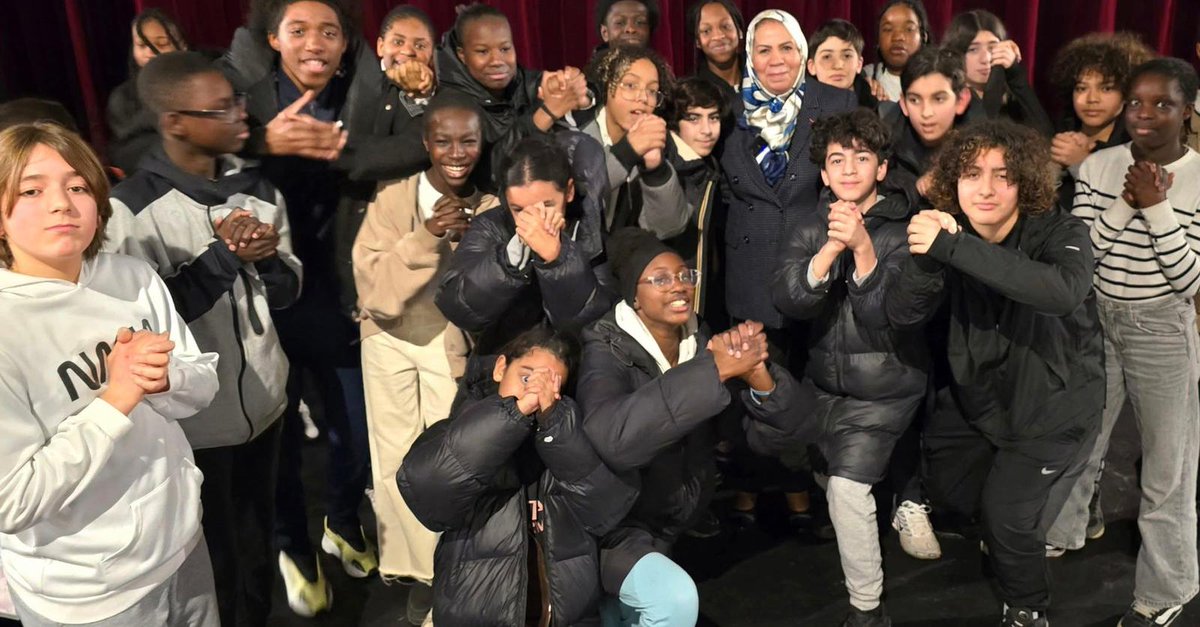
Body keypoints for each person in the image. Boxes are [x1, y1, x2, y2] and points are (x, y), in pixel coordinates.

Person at [105, 51, 302, 627]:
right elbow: (144, 329)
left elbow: (287, 294)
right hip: (194, 426)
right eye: (221, 108)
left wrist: (265, 261)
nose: (242, 115)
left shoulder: (257, 187)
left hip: (265, 404)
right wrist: (222, 259)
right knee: (214, 557)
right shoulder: (132, 211)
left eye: (239, 101)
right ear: (175, 122)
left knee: (257, 538)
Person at [886, 119, 1104, 627]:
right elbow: (902, 314)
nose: (985, 189)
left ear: (1024, 183)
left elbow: (1061, 292)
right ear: (953, 182)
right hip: (982, 400)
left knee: (1008, 518)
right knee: (956, 496)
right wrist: (926, 259)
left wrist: (953, 248)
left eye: (1002, 176)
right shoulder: (945, 231)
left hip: (1054, 406)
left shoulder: (1059, 230)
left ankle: (1027, 608)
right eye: (972, 174)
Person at [0, 121, 220, 626]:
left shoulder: (131, 277)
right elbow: (13, 500)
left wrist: (166, 379)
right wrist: (116, 397)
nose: (62, 203)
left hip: (183, 544)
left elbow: (201, 382)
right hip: (88, 593)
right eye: (31, 190)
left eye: (78, 186)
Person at [231, 0, 379, 618]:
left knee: (357, 430)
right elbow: (164, 141)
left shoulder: (362, 92)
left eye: (329, 32)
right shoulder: (242, 92)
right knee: (282, 442)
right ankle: (295, 549)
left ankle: (343, 523)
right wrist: (263, 141)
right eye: (299, 31)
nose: (315, 43)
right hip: (265, 302)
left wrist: (340, 147)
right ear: (273, 39)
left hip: (338, 294)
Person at [577, 227, 805, 626]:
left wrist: (760, 380)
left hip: (669, 525)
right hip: (609, 531)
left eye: (685, 276)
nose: (679, 286)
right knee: (673, 602)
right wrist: (712, 371)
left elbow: (780, 436)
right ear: (633, 294)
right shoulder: (605, 351)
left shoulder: (701, 344)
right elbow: (615, 440)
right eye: (661, 279)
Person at [1051, 58, 1200, 627]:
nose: (1145, 114)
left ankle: (1167, 589)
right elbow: (1083, 257)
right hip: (1098, 319)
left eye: (1162, 104)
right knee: (1081, 437)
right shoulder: (1100, 165)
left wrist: (1157, 207)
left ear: (1186, 110)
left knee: (1167, 469)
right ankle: (1065, 529)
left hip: (1162, 328)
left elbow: (1189, 281)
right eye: (1136, 102)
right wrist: (1127, 199)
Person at [772, 109, 924, 627]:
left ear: (882, 168)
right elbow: (790, 299)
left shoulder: (906, 230)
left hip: (886, 386)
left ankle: (867, 611)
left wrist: (861, 247)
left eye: (862, 158)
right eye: (837, 159)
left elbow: (887, 312)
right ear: (823, 173)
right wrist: (833, 245)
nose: (850, 169)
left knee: (847, 488)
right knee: (822, 475)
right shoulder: (811, 227)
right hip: (823, 386)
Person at [352, 91, 498, 625]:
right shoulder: (393, 197)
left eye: (468, 141)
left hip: (448, 342)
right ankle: (421, 577)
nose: (456, 152)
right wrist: (428, 234)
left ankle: (451, 572)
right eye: (443, 141)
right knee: (391, 465)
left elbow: (486, 300)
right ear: (425, 143)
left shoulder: (488, 207)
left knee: (446, 462)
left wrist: (465, 246)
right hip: (387, 336)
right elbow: (375, 293)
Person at [397, 326, 636, 626]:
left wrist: (556, 425)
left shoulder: (570, 437)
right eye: (526, 377)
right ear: (500, 368)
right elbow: (425, 491)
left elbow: (607, 510)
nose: (535, 391)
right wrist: (512, 416)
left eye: (551, 383)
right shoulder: (461, 430)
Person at [719, 8, 855, 530]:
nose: (775, 59)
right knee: (757, 378)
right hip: (749, 266)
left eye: (786, 48)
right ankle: (752, 484)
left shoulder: (836, 103)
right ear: (749, 57)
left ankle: (800, 486)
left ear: (802, 53)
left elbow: (847, 175)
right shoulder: (728, 110)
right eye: (763, 49)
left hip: (812, 260)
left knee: (804, 382)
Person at [436, 135, 616, 355]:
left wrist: (559, 261)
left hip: (574, 368)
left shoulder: (591, 233)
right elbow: (456, 306)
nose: (534, 218)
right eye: (519, 209)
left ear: (568, 192)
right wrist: (508, 261)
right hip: (502, 364)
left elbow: (595, 324)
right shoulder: (492, 226)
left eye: (546, 205)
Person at [437, 4, 589, 189]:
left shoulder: (518, 78)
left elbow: (543, 84)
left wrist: (578, 92)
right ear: (462, 55)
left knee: (583, 148)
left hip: (531, 190)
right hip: (485, 202)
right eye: (483, 52)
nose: (497, 61)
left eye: (505, 49)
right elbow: (490, 173)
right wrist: (545, 114)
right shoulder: (452, 104)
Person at [580, 45, 690, 238]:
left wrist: (656, 170)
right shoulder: (577, 133)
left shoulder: (658, 140)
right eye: (630, 86)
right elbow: (579, 195)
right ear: (606, 86)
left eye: (652, 90)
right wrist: (627, 151)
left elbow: (670, 228)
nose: (643, 98)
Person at [1048, 32, 1155, 214]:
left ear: (1127, 93)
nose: (1092, 99)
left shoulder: (1137, 149)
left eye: (1106, 88)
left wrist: (1082, 164)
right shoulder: (1061, 133)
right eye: (1081, 88)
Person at [664, 76, 727, 325]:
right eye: (694, 118)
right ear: (675, 122)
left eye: (713, 117)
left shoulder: (708, 166)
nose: (707, 130)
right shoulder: (663, 165)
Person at [942, 10, 1052, 136]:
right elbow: (983, 134)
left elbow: (1045, 137)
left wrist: (1015, 74)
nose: (986, 59)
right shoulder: (949, 99)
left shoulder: (1011, 97)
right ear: (956, 53)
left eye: (993, 48)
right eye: (973, 50)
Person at [888, 46, 974, 206]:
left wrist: (944, 177)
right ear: (904, 104)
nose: (926, 112)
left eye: (938, 99)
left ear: (961, 100)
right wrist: (912, 186)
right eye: (914, 100)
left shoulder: (982, 139)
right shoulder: (887, 134)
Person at [107, 8, 188, 175]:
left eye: (161, 44)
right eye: (142, 45)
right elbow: (126, 151)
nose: (150, 52)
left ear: (182, 45)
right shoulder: (123, 97)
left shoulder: (204, 81)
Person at [807, 19, 887, 109]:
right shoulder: (798, 112)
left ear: (859, 64)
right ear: (812, 67)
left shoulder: (880, 110)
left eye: (847, 56)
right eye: (827, 57)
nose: (838, 65)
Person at [862, 0, 932, 104]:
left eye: (909, 29)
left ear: (923, 37)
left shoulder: (939, 78)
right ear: (878, 40)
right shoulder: (865, 77)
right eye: (888, 29)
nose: (898, 37)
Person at [687, 0, 745, 119]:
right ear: (698, 41)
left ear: (739, 31)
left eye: (725, 26)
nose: (718, 36)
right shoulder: (692, 94)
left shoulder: (763, 76)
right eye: (706, 31)